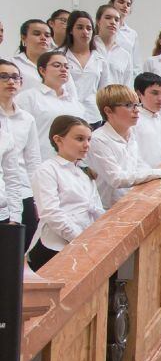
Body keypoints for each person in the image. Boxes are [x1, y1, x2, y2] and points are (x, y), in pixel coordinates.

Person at [86, 85, 161, 208]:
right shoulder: (98, 139)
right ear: (108, 111)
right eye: (128, 105)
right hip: (108, 208)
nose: (137, 110)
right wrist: (160, 173)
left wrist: (159, 178)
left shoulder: (130, 132)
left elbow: (138, 164)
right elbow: (116, 179)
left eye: (137, 104)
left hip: (132, 200)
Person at [27, 115, 105, 271]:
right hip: (53, 248)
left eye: (89, 139)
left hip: (82, 247)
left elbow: (95, 208)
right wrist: (79, 239)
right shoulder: (47, 170)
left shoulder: (84, 172)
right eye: (79, 139)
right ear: (58, 140)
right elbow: (50, 212)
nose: (86, 145)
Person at [0, 58, 42, 247]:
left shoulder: (27, 119)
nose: (11, 81)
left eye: (15, 77)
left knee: (16, 253)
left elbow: (33, 161)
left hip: (20, 190)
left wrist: (38, 197)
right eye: (4, 77)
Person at [15, 51, 83, 159]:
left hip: (71, 166)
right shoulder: (28, 98)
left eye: (66, 66)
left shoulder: (75, 104)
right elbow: (18, 136)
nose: (63, 69)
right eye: (57, 65)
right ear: (42, 70)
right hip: (40, 162)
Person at [60, 10, 111, 125]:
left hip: (93, 115)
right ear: (71, 30)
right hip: (66, 114)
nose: (85, 32)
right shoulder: (59, 56)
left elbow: (104, 91)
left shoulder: (100, 59)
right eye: (80, 27)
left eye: (89, 28)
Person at [13, 19, 57, 95]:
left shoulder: (60, 64)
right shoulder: (13, 64)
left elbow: (71, 96)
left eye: (47, 35)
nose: (43, 38)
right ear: (23, 38)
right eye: (37, 34)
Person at [94, 4, 134, 87]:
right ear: (98, 21)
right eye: (108, 18)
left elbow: (127, 86)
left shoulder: (125, 55)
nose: (113, 22)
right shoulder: (89, 48)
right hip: (91, 99)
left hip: (116, 99)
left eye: (116, 20)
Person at [110, 0, 139, 68]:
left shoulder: (132, 34)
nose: (125, 6)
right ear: (112, 4)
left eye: (128, 5)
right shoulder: (102, 28)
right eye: (121, 2)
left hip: (124, 75)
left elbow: (136, 63)